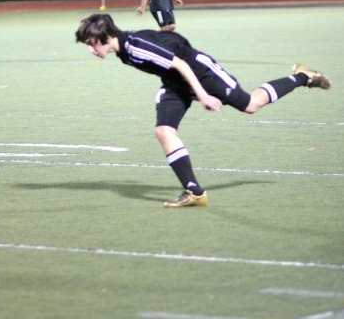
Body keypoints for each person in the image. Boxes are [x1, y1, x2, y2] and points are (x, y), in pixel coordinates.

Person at [75, 13, 331, 208]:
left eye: (91, 43)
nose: (91, 49)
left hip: (201, 74)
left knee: (250, 105)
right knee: (164, 131)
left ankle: (301, 76)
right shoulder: (124, 48)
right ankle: (194, 192)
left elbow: (181, 63)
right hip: (175, 82)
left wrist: (203, 94)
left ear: (106, 36)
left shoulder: (135, 46)